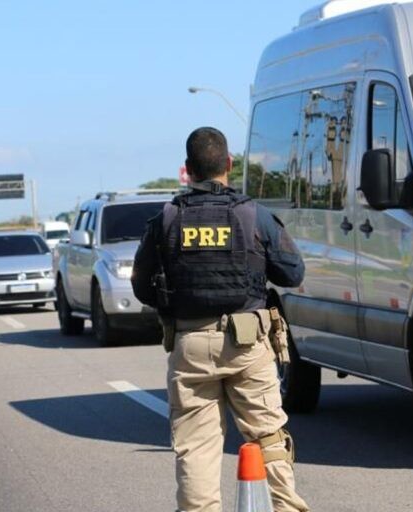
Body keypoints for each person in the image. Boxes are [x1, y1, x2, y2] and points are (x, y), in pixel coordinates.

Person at [132, 127, 310, 512]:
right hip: (247, 343)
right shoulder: (253, 216)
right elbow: (293, 273)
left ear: (187, 170)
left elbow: (142, 287)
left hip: (190, 344)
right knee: (268, 438)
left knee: (195, 449)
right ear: (229, 164)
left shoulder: (166, 220)